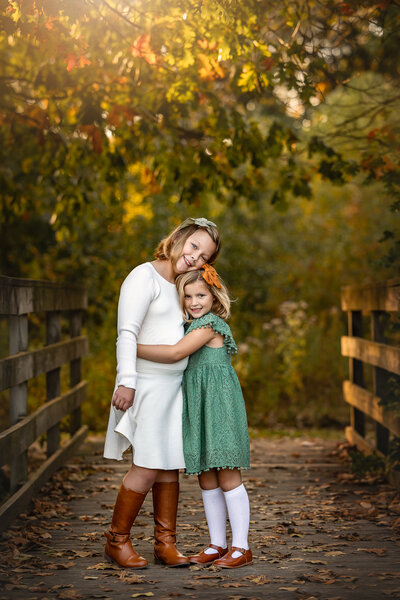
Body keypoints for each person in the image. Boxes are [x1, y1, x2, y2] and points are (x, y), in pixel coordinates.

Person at [103, 217, 221, 569]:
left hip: (174, 387)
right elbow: (127, 332)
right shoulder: (144, 276)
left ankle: (165, 543)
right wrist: (127, 381)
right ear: (180, 238)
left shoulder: (181, 285)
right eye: (194, 245)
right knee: (147, 465)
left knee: (169, 464)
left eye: (205, 256)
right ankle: (117, 540)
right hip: (146, 384)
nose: (196, 256)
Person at [137, 265, 252, 569]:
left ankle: (242, 546)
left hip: (219, 405)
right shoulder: (189, 324)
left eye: (200, 294)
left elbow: (176, 354)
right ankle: (217, 544)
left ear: (214, 297)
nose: (194, 302)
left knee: (226, 473)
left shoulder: (211, 325)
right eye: (187, 296)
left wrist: (131, 347)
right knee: (206, 475)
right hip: (199, 406)